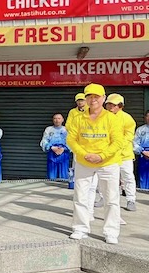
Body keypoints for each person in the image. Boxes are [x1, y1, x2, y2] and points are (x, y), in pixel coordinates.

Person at [66, 83, 123, 244]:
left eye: (96, 97)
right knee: (80, 196)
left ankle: (111, 232)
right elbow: (71, 139)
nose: (93, 100)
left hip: (108, 162)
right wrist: (84, 154)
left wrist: (102, 156)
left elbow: (118, 141)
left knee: (111, 198)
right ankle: (80, 228)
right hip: (84, 162)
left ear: (103, 98)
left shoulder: (112, 118)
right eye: (89, 96)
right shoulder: (78, 118)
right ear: (85, 99)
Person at [104, 94, 137, 212]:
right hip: (108, 154)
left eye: (113, 104)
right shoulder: (103, 117)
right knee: (107, 178)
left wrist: (116, 146)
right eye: (109, 104)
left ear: (120, 106)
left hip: (124, 154)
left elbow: (129, 136)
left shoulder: (127, 118)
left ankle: (131, 199)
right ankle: (104, 198)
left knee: (127, 177)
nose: (110, 106)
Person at [40, 114, 71, 181]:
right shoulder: (48, 129)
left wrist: (64, 148)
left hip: (64, 154)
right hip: (52, 154)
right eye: (55, 118)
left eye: (59, 118)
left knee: (64, 176)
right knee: (51, 176)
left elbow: (71, 141)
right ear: (53, 120)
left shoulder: (67, 129)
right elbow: (44, 140)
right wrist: (51, 147)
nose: (57, 120)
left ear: (63, 120)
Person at [134, 111, 149, 190]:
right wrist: (143, 152)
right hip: (143, 156)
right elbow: (134, 144)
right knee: (143, 177)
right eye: (148, 116)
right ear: (145, 118)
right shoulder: (140, 130)